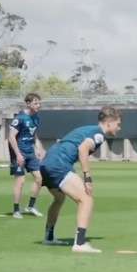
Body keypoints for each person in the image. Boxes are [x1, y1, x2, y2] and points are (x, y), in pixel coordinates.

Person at [38, 105, 122, 253]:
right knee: (86, 200)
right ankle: (80, 243)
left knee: (59, 199)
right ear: (109, 123)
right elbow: (83, 148)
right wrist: (87, 176)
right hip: (59, 165)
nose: (119, 128)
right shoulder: (98, 134)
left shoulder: (88, 129)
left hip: (46, 163)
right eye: (118, 124)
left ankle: (48, 237)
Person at [7, 93, 46, 218]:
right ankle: (16, 210)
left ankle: (30, 206)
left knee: (39, 178)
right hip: (19, 153)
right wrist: (18, 154)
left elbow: (34, 134)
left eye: (39, 103)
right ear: (28, 104)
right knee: (21, 181)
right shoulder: (20, 118)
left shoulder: (36, 117)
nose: (38, 105)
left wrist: (37, 147)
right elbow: (11, 137)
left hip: (30, 152)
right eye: (35, 103)